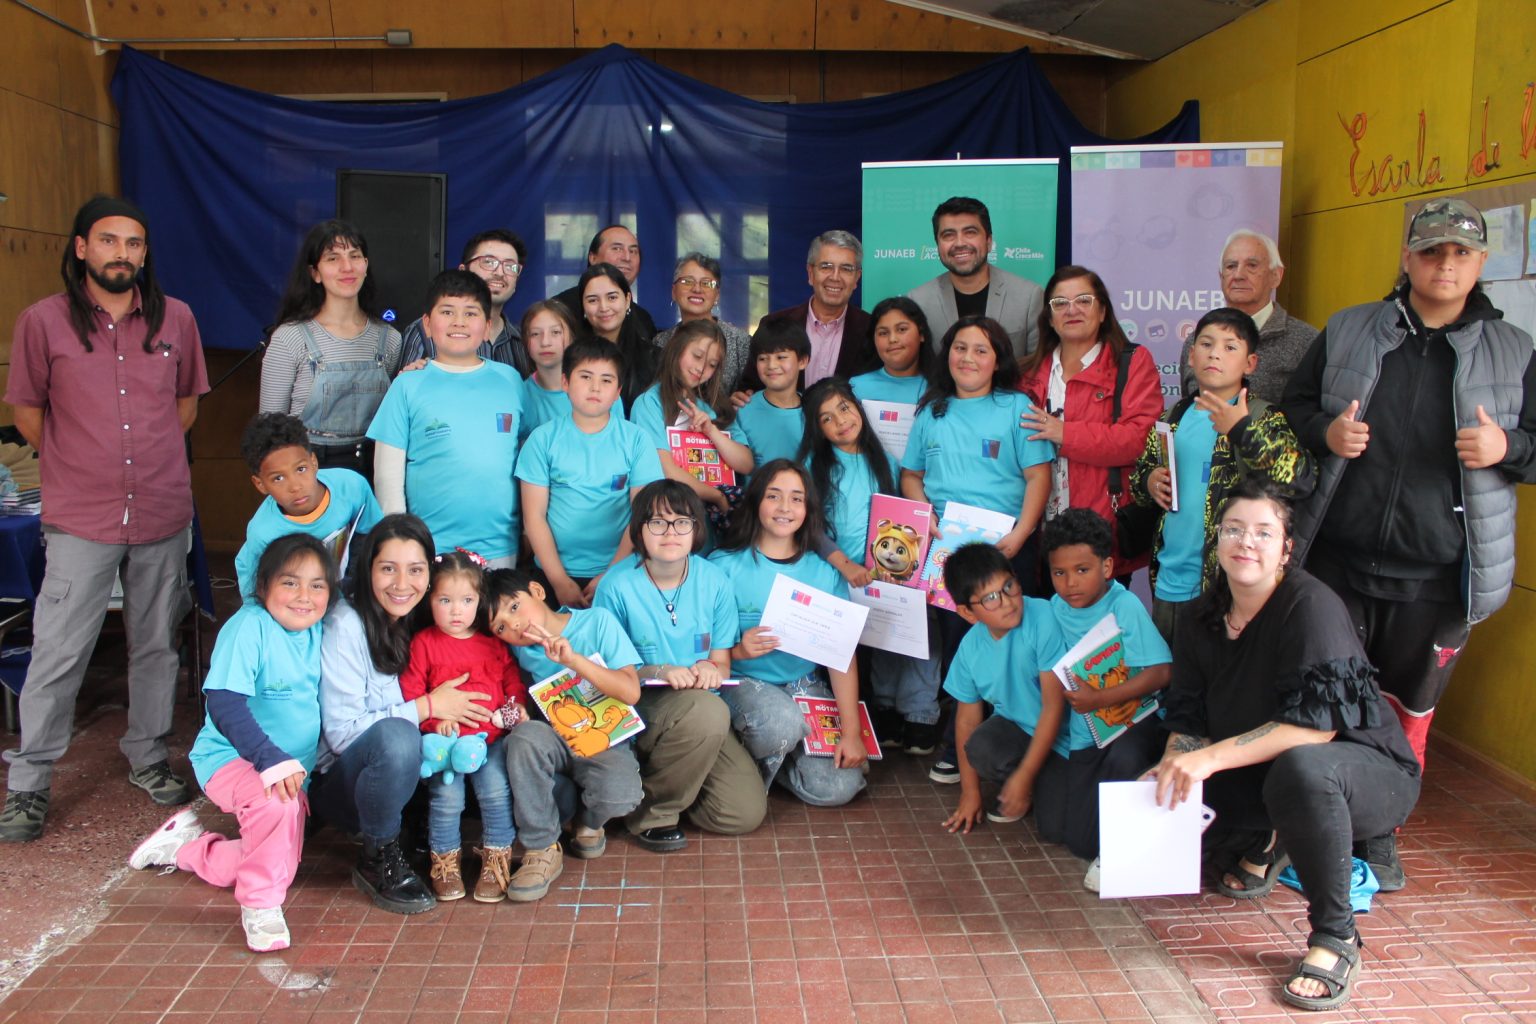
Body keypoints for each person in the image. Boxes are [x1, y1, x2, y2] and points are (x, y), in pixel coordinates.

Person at [1281, 197, 1536, 883]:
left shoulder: (1517, 351)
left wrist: (1507, 445)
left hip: (1440, 572)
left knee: (1405, 710)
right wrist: (1326, 432)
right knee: (1326, 695)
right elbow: (1295, 408)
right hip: (1337, 557)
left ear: (1481, 263)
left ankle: (1380, 830)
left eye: (1460, 253)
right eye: (1431, 250)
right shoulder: (1351, 329)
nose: (1444, 263)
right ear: (1407, 257)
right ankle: (1315, 827)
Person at [1152, 479, 1420, 1012]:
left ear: (1285, 549)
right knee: (1156, 762)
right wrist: (1171, 764)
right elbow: (1189, 717)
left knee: (1303, 769)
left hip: (1366, 775)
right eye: (1233, 529)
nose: (1245, 542)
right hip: (1267, 763)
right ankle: (1271, 836)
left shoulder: (1310, 605)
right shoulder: (1204, 616)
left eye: (1263, 532)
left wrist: (1205, 759)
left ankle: (1335, 937)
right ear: (1217, 540)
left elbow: (1316, 728)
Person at [1, 195, 209, 843]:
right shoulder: (43, 323)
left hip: (161, 509)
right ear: (82, 247)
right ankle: (30, 781)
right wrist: (82, 465)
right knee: (60, 649)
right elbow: (30, 413)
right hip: (81, 518)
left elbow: (185, 407)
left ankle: (147, 755)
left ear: (146, 254)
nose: (124, 253)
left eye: (135, 243)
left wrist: (141, 463)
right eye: (110, 241)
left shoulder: (176, 318)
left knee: (154, 644)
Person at [127, 534, 335, 953]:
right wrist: (270, 759)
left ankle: (185, 847)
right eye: (290, 582)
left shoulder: (318, 631)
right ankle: (260, 907)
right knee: (275, 806)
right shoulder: (249, 626)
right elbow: (223, 702)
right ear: (263, 587)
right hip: (232, 759)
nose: (304, 596)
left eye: (317, 585)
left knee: (279, 861)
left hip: (290, 770)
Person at [312, 514, 491, 915]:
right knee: (397, 738)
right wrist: (428, 707)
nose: (400, 583)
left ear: (430, 573)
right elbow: (342, 736)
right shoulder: (347, 625)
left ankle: (419, 824)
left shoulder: (426, 617)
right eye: (387, 569)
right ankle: (378, 856)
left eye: (415, 570)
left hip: (418, 770)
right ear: (367, 569)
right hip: (348, 781)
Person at [593, 482, 766, 851]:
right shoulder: (617, 585)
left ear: (696, 529)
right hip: (640, 704)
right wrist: (658, 670)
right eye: (657, 523)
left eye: (681, 522)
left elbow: (721, 662)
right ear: (639, 530)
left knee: (741, 814)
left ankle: (666, 784)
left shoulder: (714, 581)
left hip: (700, 709)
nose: (670, 533)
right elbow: (604, 673)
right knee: (707, 712)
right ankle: (652, 814)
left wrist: (709, 669)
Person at [1130, 308, 1315, 643]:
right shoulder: (1172, 416)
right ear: (1190, 354)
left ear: (1250, 364)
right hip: (1168, 581)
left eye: (1230, 347)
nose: (1215, 353)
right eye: (1206, 343)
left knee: (1218, 684)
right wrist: (1148, 481)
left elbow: (1299, 477)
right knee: (1169, 686)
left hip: (1226, 588)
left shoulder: (1261, 417)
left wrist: (1242, 430)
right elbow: (1140, 481)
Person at [708, 460, 868, 806]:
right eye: (773, 496)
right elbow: (695, 647)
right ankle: (753, 751)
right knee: (779, 723)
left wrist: (852, 734)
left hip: (803, 684)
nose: (785, 508)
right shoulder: (722, 566)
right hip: (742, 682)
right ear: (755, 503)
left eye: (796, 499)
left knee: (839, 789)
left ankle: (778, 761)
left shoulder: (824, 572)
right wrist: (737, 652)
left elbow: (841, 657)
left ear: (808, 508)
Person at [800, 377, 940, 754]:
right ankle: (864, 721)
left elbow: (899, 515)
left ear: (857, 408)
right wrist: (844, 565)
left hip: (885, 573)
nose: (841, 421)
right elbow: (810, 527)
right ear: (817, 429)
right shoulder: (814, 465)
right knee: (850, 653)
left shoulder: (884, 461)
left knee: (903, 638)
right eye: (827, 418)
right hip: (837, 572)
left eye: (844, 408)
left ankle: (909, 715)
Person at [488, 569, 645, 901]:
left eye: (514, 607)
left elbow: (630, 692)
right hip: (556, 738)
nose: (512, 626)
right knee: (525, 737)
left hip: (604, 739)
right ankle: (541, 847)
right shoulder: (518, 651)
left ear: (537, 590)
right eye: (500, 626)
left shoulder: (597, 622)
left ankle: (588, 821)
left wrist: (573, 659)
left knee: (621, 796)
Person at [1041, 509, 1171, 890]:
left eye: (1083, 570)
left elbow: (1162, 672)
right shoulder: (1053, 608)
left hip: (1131, 725)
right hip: (1084, 734)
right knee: (1072, 838)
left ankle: (1134, 839)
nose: (1070, 584)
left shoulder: (1122, 605)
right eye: (1059, 573)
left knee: (1126, 759)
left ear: (1108, 566)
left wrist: (1101, 698)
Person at [368, 271, 523, 568]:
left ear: (487, 325)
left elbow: (528, 456)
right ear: (427, 324)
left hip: (500, 546)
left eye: (471, 313)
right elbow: (387, 476)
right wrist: (402, 544)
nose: (459, 322)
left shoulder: (511, 380)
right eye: (447, 312)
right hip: (429, 547)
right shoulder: (407, 385)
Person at [396, 551, 526, 903]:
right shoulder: (423, 643)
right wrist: (438, 721)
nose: (456, 610)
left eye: (467, 600)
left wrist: (512, 712)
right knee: (446, 797)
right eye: (445, 600)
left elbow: (513, 684)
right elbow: (411, 695)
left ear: (479, 601)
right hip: (444, 744)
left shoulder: (492, 643)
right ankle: (445, 861)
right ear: (430, 600)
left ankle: (497, 857)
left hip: (492, 739)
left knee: (495, 789)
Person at [1019, 265, 1164, 577]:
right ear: (1049, 317)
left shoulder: (1132, 362)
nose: (1072, 310)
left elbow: (1139, 439)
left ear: (1102, 311)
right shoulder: (1028, 373)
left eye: (1083, 300)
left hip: (1101, 529)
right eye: (1060, 303)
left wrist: (1064, 433)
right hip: (1038, 531)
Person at [518, 337, 666, 609]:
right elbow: (534, 517)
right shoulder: (542, 440)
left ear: (618, 390)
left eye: (607, 380)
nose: (595, 387)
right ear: (565, 382)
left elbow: (643, 514)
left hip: (623, 569)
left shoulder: (637, 440)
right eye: (585, 376)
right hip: (552, 573)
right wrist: (559, 580)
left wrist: (612, 574)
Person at [939, 542, 1066, 838]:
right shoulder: (970, 649)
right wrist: (970, 793)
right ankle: (1035, 782)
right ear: (968, 613)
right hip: (1020, 729)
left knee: (1056, 828)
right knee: (981, 748)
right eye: (990, 599)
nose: (1008, 602)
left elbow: (1054, 707)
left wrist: (1024, 775)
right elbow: (967, 721)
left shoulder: (1043, 618)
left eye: (1009, 586)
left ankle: (1037, 779)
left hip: (1066, 734)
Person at [259, 219, 402, 479]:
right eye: (333, 258)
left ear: (366, 266)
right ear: (315, 273)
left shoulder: (389, 339)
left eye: (355, 256)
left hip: (374, 469)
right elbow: (270, 430)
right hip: (307, 473)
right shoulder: (289, 338)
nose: (347, 267)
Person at [235, 412, 383, 602]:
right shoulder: (263, 532)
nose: (295, 486)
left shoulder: (352, 486)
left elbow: (373, 535)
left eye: (300, 469)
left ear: (314, 462)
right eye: (278, 478)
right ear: (260, 484)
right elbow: (256, 590)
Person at [628, 320, 752, 516]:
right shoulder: (649, 404)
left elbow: (746, 464)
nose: (701, 369)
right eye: (697, 356)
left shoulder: (714, 406)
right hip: (669, 520)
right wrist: (717, 496)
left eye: (712, 365)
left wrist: (712, 431)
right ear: (677, 347)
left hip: (711, 530)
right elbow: (665, 470)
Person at [1179, 230, 1318, 403]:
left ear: (1276, 276)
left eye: (1252, 265)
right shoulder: (1196, 341)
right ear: (1221, 277)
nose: (1238, 275)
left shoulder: (1307, 341)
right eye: (1231, 266)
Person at [907, 196, 1044, 359]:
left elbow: (1037, 368)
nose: (959, 243)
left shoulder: (1028, 297)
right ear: (938, 245)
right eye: (948, 235)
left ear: (989, 241)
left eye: (970, 232)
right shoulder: (918, 301)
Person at [746, 231, 876, 395]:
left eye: (846, 269)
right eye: (826, 267)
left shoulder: (872, 331)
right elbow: (750, 388)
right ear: (810, 273)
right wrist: (743, 396)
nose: (835, 277)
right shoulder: (774, 324)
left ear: (857, 278)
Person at [398, 229, 532, 375]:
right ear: (463, 271)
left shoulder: (523, 341)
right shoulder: (426, 331)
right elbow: (409, 389)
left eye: (510, 266)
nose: (499, 273)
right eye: (488, 262)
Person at [652, 253, 752, 395]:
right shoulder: (660, 342)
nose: (697, 289)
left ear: (717, 295)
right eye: (687, 281)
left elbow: (753, 393)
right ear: (673, 291)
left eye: (707, 283)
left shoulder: (740, 342)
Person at [576, 262, 660, 415]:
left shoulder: (655, 358)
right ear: (582, 306)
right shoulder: (572, 359)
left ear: (627, 300)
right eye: (593, 300)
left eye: (612, 297)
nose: (603, 307)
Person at [552, 224, 658, 342]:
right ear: (593, 258)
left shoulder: (643, 319)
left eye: (633, 251)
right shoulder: (560, 309)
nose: (627, 257)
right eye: (617, 248)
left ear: (627, 300)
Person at [733, 323, 811, 471]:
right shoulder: (742, 411)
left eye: (781, 357)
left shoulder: (814, 411)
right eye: (763, 358)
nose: (771, 365)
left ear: (802, 361)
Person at [850, 296, 936, 407]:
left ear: (921, 334)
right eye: (883, 333)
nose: (892, 339)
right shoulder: (856, 388)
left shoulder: (942, 388)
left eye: (902, 329)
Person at [518, 300, 577, 444]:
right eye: (535, 334)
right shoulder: (518, 396)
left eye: (555, 332)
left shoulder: (599, 390)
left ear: (572, 337)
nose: (545, 342)